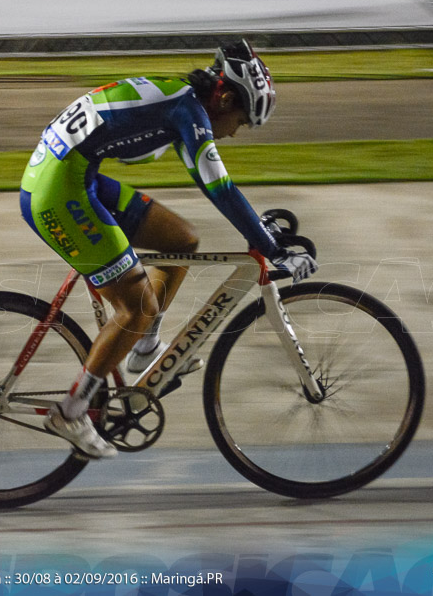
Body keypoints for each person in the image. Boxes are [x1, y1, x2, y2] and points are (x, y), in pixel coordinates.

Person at [19, 40, 318, 459]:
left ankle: (144, 351)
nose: (234, 132)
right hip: (57, 191)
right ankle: (71, 410)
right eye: (241, 120)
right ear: (227, 98)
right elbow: (220, 187)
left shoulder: (183, 101)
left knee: (182, 241)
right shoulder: (187, 112)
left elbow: (217, 184)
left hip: (70, 174)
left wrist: (261, 236)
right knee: (136, 308)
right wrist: (271, 247)